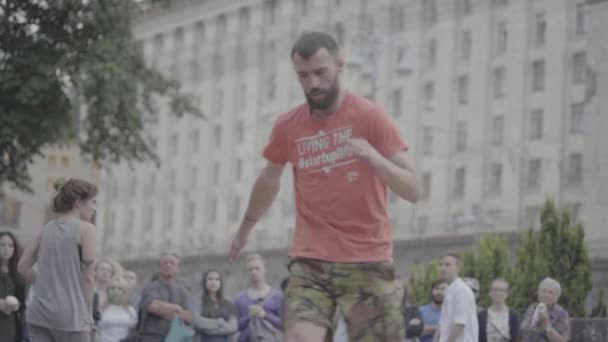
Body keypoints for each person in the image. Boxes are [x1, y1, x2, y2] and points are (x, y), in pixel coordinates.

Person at [228, 31, 418, 342]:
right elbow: (269, 180)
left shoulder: (370, 116)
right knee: (301, 337)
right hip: (310, 260)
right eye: (303, 76)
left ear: (340, 66)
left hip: (366, 259)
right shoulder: (288, 126)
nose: (313, 84)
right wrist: (246, 228)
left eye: (321, 72)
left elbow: (413, 189)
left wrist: (375, 159)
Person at [18, 177, 98, 342]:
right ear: (78, 202)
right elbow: (89, 278)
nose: (94, 208)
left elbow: (23, 267)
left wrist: (47, 283)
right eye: (93, 202)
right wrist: (89, 313)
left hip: (39, 313)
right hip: (72, 317)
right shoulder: (87, 229)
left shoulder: (46, 229)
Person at [138, 252, 196, 342]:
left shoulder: (182, 290)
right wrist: (177, 308)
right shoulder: (150, 287)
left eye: (172, 263)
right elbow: (153, 307)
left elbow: (190, 317)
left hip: (177, 338)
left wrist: (165, 311)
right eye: (165, 263)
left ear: (178, 269)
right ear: (160, 267)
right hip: (151, 338)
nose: (168, 265)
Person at [233, 254, 283, 342]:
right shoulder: (239, 299)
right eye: (250, 270)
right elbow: (234, 326)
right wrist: (248, 317)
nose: (253, 272)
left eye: (257, 268)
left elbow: (285, 325)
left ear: (264, 270)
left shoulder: (278, 296)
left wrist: (265, 315)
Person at [436, 253, 478, 342]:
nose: (443, 268)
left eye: (447, 264)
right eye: (441, 264)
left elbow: (459, 323)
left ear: (457, 267)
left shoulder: (461, 290)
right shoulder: (449, 290)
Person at [192, 270, 238, 342]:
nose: (213, 282)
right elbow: (197, 322)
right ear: (205, 282)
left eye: (217, 279)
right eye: (210, 279)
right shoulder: (198, 302)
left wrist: (209, 328)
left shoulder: (228, 304)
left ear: (220, 283)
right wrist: (219, 322)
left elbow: (233, 327)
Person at [519, 277, 569, 342]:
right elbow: (523, 331)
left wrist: (547, 325)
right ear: (538, 293)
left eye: (551, 293)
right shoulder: (532, 307)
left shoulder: (561, 313)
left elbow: (562, 341)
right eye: (544, 291)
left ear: (557, 297)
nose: (546, 295)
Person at [0, 231, 26, 342]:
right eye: (2, 245)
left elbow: (22, 305)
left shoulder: (17, 274)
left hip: (10, 329)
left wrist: (15, 305)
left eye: (10, 245)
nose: (7, 249)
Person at [99, 276, 137, 342]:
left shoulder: (131, 311)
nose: (116, 291)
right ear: (108, 290)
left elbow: (134, 331)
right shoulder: (101, 309)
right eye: (112, 288)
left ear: (124, 291)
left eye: (120, 288)